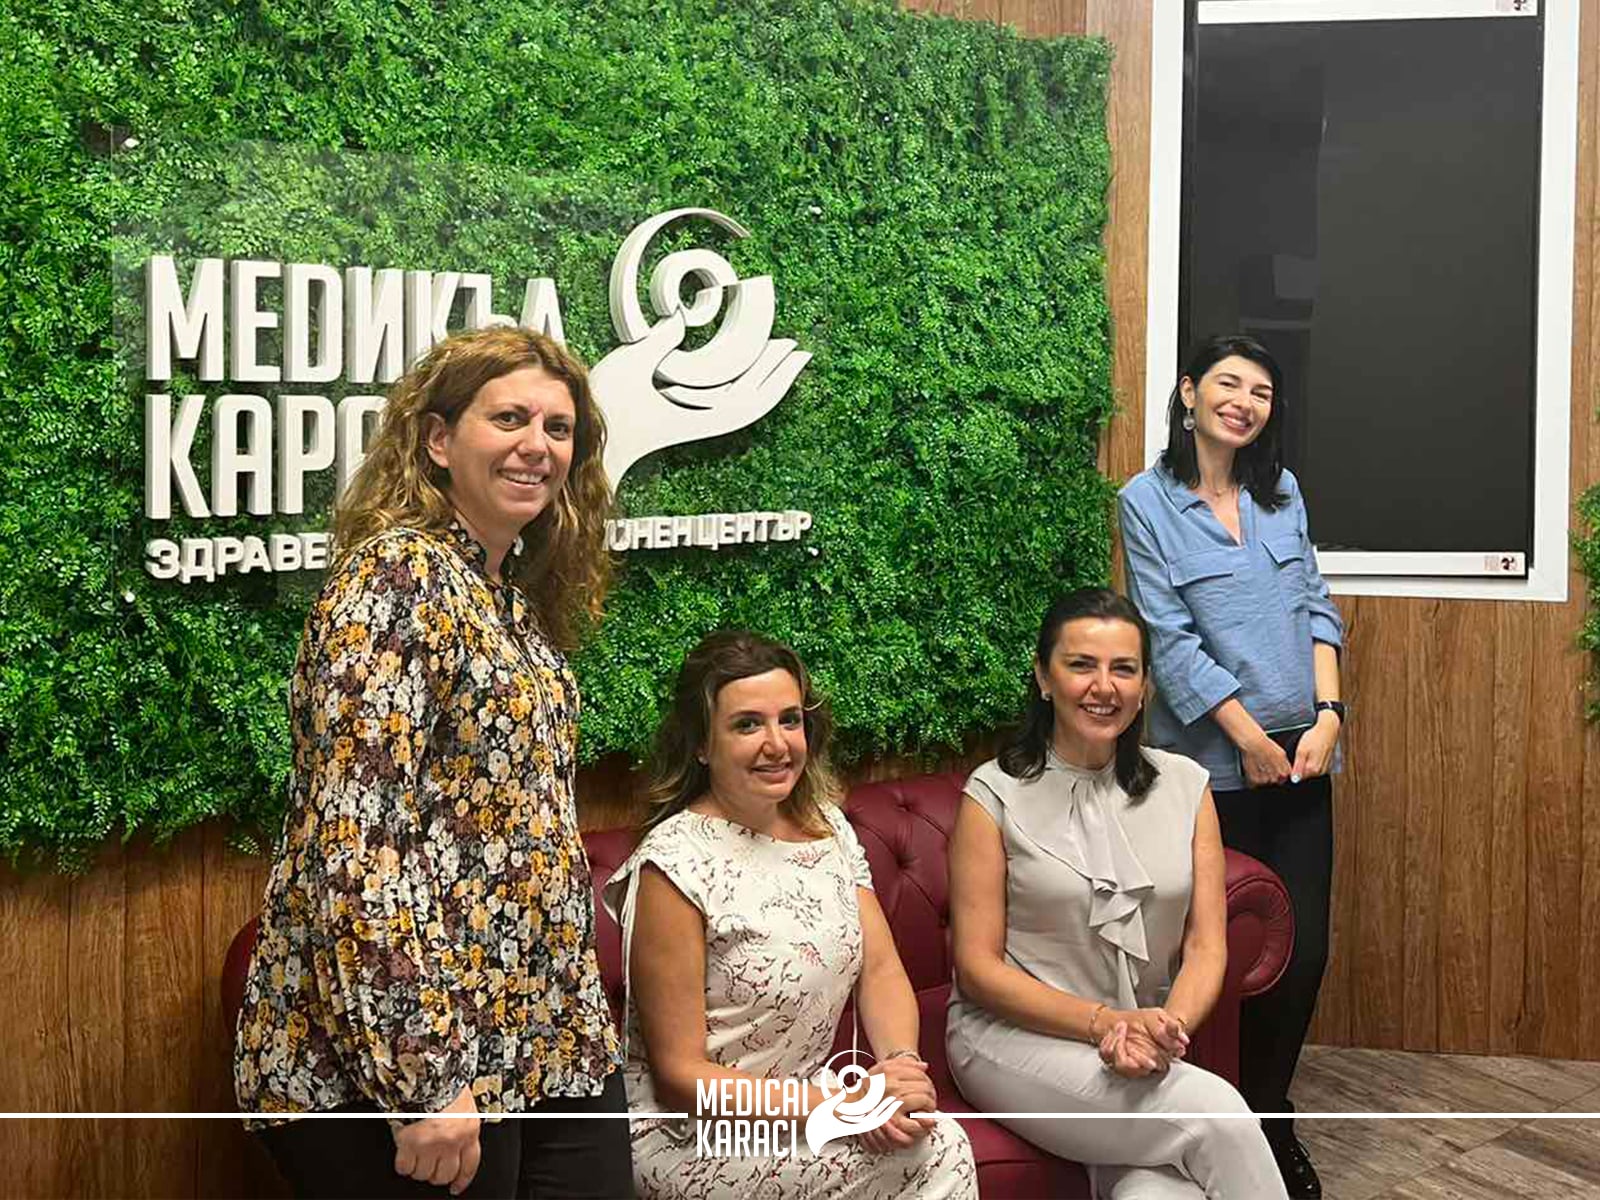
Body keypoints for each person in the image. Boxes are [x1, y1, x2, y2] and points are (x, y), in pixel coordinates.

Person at [234, 326, 634, 1199]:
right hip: (404, 1063)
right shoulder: (395, 580)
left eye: (559, 428)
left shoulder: (501, 592)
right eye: (510, 419)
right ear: (439, 440)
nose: (538, 446)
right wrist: (421, 1076)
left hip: (534, 1037)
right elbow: (355, 847)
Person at [604, 630, 978, 1200]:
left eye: (790, 720)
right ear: (701, 744)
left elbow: (880, 971)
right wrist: (843, 1105)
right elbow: (681, 1078)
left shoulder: (828, 829)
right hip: (691, 1133)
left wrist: (901, 1072)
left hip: (806, 1102)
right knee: (938, 1151)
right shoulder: (673, 865)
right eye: (747, 725)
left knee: (924, 1136)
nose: (777, 744)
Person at [946, 589, 1287, 1200]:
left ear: (1145, 686)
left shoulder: (1186, 786)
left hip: (1136, 1044)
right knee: (1218, 1116)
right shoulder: (991, 795)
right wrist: (1105, 1023)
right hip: (1011, 1042)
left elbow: (1206, 945)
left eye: (1123, 669)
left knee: (1155, 1195)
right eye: (1081, 665)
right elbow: (977, 969)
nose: (1103, 687)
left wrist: (1165, 1030)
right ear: (1043, 677)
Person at [1117, 333, 1345, 1198]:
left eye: (1261, 392)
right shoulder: (1145, 501)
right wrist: (1248, 738)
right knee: (1214, 955)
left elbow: (1317, 605)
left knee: (1304, 954)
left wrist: (1329, 716)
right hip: (1209, 771)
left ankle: (1269, 1118)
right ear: (1189, 393)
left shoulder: (1283, 493)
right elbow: (1169, 641)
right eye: (1228, 384)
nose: (1243, 402)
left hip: (1305, 757)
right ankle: (1214, 1124)